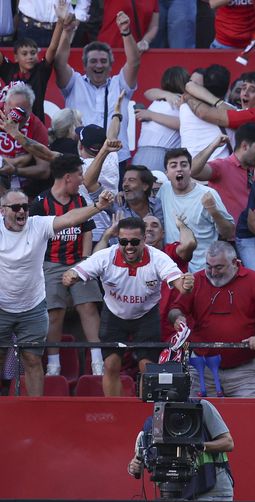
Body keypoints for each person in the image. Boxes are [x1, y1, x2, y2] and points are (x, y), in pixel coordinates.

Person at [62, 217, 194, 396]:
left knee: (147, 367)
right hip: (114, 314)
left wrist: (185, 284)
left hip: (147, 315)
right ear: (118, 240)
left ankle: (143, 411)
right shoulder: (105, 256)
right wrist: (70, 275)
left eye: (134, 241)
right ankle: (115, 410)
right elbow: (78, 271)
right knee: (110, 364)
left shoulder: (158, 258)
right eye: (124, 242)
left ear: (144, 240)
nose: (129, 246)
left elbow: (180, 284)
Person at [0, 190, 112, 396]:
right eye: (16, 208)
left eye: (25, 206)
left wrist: (98, 207)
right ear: (2, 210)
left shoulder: (37, 225)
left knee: (32, 360)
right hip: (1, 307)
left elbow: (69, 218)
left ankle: (35, 413)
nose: (22, 211)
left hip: (32, 308)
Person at [168, 241, 255, 398]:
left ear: (234, 263)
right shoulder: (197, 279)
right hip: (203, 369)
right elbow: (175, 309)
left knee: (246, 419)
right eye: (209, 266)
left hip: (244, 372)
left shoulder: (253, 279)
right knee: (200, 419)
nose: (213, 272)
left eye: (218, 267)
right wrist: (178, 318)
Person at [33, 155, 107, 378]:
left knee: (88, 307)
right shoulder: (41, 203)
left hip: (78, 262)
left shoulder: (81, 201)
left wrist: (85, 261)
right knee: (54, 313)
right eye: (79, 175)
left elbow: (87, 230)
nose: (83, 180)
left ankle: (97, 363)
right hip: (50, 263)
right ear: (67, 178)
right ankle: (54, 367)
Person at [54, 11, 141, 166]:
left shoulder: (119, 84)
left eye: (103, 61)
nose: (99, 65)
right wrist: (67, 31)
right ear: (85, 65)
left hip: (115, 157)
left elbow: (134, 62)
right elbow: (59, 63)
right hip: (79, 156)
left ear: (110, 64)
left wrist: (126, 32)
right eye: (93, 61)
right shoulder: (75, 82)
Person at [129, 398, 236, 500]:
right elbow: (138, 460)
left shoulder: (201, 406)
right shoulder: (151, 423)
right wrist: (133, 467)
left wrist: (200, 446)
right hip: (173, 494)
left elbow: (228, 443)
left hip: (213, 490)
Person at [159, 148, 236, 273]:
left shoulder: (208, 194)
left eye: (184, 165)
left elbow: (229, 232)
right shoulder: (164, 189)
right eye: (174, 165)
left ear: (190, 170)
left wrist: (213, 211)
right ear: (166, 173)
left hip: (204, 271)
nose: (179, 169)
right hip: (174, 270)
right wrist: (122, 194)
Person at [190, 124, 255, 229]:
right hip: (228, 237)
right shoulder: (221, 166)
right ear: (245, 146)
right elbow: (193, 171)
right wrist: (213, 146)